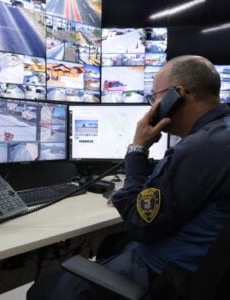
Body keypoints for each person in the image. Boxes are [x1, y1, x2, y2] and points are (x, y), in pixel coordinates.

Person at [27, 55, 230, 299]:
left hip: (161, 278)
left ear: (178, 94)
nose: (152, 105)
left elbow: (139, 225)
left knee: (42, 290)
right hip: (195, 268)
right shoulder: (220, 137)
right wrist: (132, 195)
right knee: (109, 246)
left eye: (154, 97)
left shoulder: (198, 149)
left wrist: (137, 149)